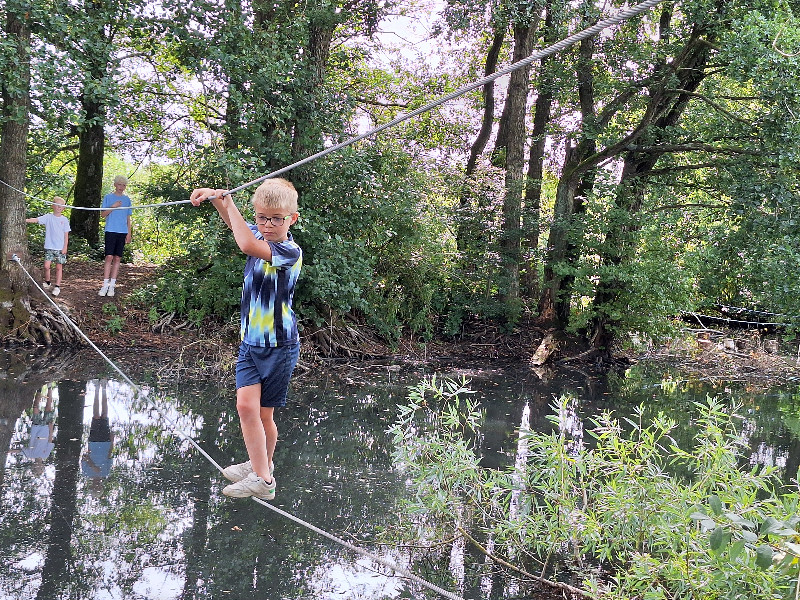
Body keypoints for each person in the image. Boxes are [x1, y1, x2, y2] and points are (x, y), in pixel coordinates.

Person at [190, 179, 301, 500]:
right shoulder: (260, 233)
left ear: (291, 219)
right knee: (245, 406)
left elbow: (247, 245)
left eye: (276, 218)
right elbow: (236, 225)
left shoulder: (288, 250)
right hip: (250, 342)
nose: (267, 225)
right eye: (262, 217)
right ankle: (259, 465)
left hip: (279, 345)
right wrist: (216, 198)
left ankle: (264, 480)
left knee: (264, 415)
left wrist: (229, 203)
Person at [25, 197, 70, 297]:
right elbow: (36, 220)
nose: (59, 207)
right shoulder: (48, 217)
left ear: (64, 208)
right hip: (50, 247)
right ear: (52, 206)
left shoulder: (64, 220)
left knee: (59, 267)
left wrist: (65, 247)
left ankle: (57, 286)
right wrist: (26, 220)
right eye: (57, 205)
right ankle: (48, 282)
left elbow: (66, 235)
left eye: (61, 206)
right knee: (46, 266)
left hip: (60, 248)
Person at [98, 175, 133, 297]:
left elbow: (128, 218)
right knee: (108, 257)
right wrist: (113, 206)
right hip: (111, 230)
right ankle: (105, 285)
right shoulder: (108, 197)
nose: (121, 187)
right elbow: (103, 214)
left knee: (117, 258)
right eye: (119, 184)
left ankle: (112, 286)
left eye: (123, 185)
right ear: (115, 185)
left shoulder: (127, 200)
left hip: (122, 231)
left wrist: (129, 233)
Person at [12, 383, 57, 475]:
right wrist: (51, 429)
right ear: (43, 467)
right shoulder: (45, 455)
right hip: (46, 429)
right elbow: (50, 441)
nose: (38, 466)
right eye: (40, 469)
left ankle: (39, 389)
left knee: (35, 408)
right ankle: (49, 387)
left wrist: (7, 451)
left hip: (36, 428)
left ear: (33, 466)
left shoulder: (30, 455)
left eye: (36, 468)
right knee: (48, 407)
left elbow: (19, 451)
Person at [81, 379, 115, 496]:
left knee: (95, 416)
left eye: (95, 488)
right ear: (101, 486)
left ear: (91, 486)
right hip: (105, 442)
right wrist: (112, 441)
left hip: (94, 442)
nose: (97, 485)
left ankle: (96, 389)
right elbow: (109, 455)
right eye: (98, 487)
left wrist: (92, 465)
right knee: (104, 416)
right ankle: (104, 388)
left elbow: (84, 456)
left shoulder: (86, 473)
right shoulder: (106, 472)